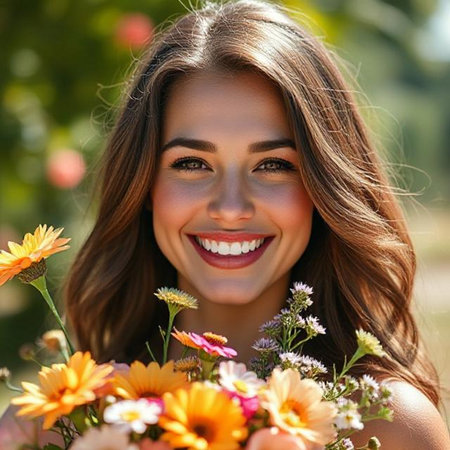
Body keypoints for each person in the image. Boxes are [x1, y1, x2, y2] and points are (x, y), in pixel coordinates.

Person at [3, 0, 448, 448]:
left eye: (273, 164)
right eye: (193, 163)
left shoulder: (388, 426)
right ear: (142, 187)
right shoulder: (54, 426)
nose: (231, 208)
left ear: (323, 188)